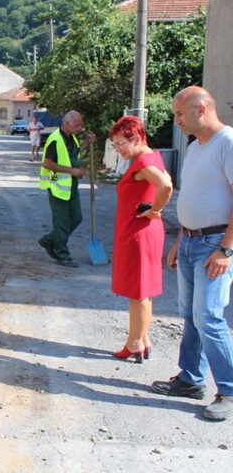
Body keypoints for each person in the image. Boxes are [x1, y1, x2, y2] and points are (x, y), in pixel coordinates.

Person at [151, 86, 233, 421]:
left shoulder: (226, 143)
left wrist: (227, 249)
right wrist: (179, 241)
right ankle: (190, 379)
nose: (176, 120)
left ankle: (228, 389)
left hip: (215, 246)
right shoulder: (197, 147)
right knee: (189, 315)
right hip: (190, 242)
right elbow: (195, 197)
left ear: (200, 109)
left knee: (208, 317)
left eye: (179, 113)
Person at [109, 115, 173, 363]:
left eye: (120, 143)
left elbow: (166, 186)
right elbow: (166, 184)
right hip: (143, 231)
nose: (118, 149)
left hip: (138, 234)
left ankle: (135, 343)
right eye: (115, 145)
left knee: (138, 291)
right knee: (142, 290)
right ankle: (142, 338)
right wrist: (155, 209)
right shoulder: (151, 157)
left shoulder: (143, 162)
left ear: (135, 138)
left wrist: (155, 210)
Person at [38, 110, 95, 268]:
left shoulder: (72, 138)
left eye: (80, 124)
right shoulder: (55, 139)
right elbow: (47, 163)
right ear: (67, 123)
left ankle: (48, 241)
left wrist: (87, 143)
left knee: (76, 218)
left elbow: (74, 155)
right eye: (77, 124)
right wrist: (72, 171)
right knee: (62, 223)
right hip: (57, 185)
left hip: (71, 185)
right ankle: (62, 254)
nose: (80, 127)